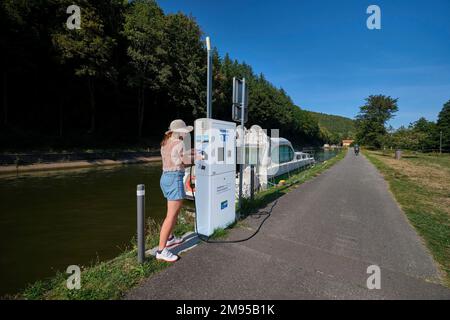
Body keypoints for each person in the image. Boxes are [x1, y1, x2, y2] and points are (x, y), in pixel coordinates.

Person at [156, 119, 194, 263]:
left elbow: (175, 158)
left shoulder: (165, 143)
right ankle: (161, 251)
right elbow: (185, 161)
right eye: (184, 132)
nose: (185, 134)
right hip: (174, 179)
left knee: (172, 212)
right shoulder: (179, 143)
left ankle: (170, 239)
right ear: (178, 132)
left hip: (165, 178)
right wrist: (198, 156)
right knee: (171, 215)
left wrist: (191, 153)